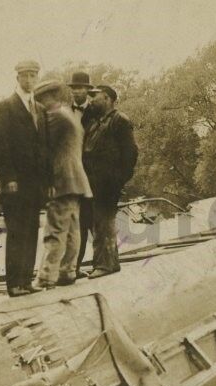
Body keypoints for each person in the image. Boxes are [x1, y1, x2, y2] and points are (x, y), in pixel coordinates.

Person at [0, 60, 46, 297]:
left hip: (35, 184)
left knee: (32, 230)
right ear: (18, 78)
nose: (30, 80)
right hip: (16, 184)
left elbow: (45, 149)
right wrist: (8, 177)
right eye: (25, 76)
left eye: (34, 76)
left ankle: (26, 280)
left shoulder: (40, 109)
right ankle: (14, 283)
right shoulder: (6, 107)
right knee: (17, 232)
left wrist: (48, 181)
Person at [32, 80, 92, 289]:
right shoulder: (69, 114)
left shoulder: (53, 117)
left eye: (39, 100)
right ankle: (68, 271)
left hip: (61, 179)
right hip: (76, 179)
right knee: (72, 228)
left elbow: (41, 148)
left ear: (45, 98)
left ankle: (46, 276)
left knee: (55, 229)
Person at [82, 84, 138, 279]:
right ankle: (107, 263)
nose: (91, 101)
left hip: (108, 183)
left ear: (107, 98)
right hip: (94, 182)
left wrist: (119, 180)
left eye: (95, 97)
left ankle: (105, 265)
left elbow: (130, 153)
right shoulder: (96, 122)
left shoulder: (119, 121)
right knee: (99, 223)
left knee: (103, 222)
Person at [68, 70, 96, 270]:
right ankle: (74, 267)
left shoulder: (98, 112)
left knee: (98, 221)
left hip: (95, 175)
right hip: (72, 176)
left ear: (87, 90)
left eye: (80, 88)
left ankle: (103, 263)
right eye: (74, 89)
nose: (77, 92)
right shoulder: (65, 113)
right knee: (77, 224)